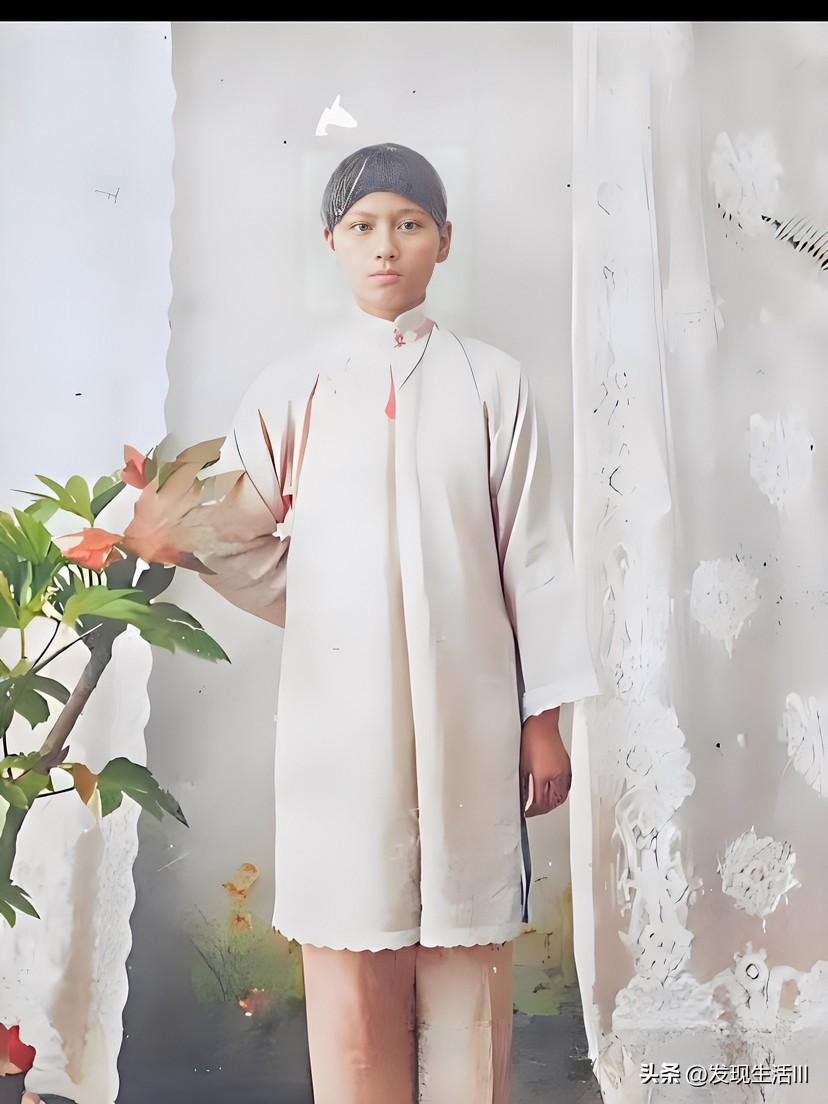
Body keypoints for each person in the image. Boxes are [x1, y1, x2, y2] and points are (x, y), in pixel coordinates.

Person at [195, 142, 601, 1104]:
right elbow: (225, 532)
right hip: (340, 725)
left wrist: (543, 720)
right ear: (332, 241)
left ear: (444, 241)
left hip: (472, 714)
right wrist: (328, 607)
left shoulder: (493, 382)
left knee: (467, 972)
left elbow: (534, 556)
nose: (387, 246)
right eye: (364, 225)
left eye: (410, 224)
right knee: (351, 958)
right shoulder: (294, 387)